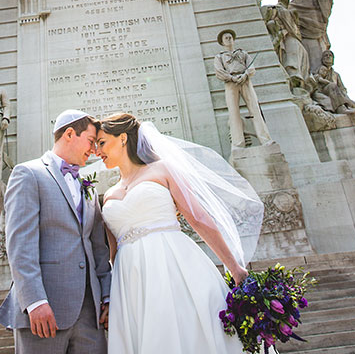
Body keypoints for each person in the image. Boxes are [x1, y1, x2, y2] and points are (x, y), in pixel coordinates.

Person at [95, 112, 264, 354]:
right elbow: (111, 252)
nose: (97, 151)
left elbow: (198, 218)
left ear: (122, 138)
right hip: (129, 279)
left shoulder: (162, 170)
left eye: (101, 143)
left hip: (173, 263)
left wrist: (234, 267)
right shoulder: (108, 195)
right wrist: (109, 296)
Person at [0, 110, 112, 353]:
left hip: (91, 315)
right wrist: (35, 301)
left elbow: (98, 248)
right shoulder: (28, 174)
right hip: (43, 311)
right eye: (91, 141)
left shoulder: (87, 185)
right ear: (70, 134)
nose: (93, 150)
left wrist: (107, 296)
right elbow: (20, 244)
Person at [212, 30, 274, 148]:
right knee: (233, 112)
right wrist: (232, 78)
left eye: (230, 37)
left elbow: (251, 67)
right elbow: (219, 72)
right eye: (226, 38)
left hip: (245, 81)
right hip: (230, 84)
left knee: (255, 109)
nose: (229, 39)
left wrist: (245, 75)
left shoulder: (243, 53)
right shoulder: (219, 57)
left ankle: (265, 139)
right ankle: (238, 143)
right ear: (222, 42)